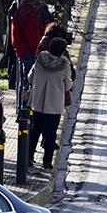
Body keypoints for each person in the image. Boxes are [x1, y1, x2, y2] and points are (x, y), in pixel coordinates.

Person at [28, 37, 73, 169]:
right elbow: (68, 85)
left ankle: (28, 157)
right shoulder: (64, 65)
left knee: (35, 130)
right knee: (51, 133)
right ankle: (47, 161)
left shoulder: (40, 59)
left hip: (38, 101)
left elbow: (30, 77)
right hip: (54, 104)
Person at [11, 0, 44, 87]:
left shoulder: (22, 10)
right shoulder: (30, 14)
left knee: (24, 80)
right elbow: (33, 37)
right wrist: (38, 52)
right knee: (28, 82)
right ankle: (25, 101)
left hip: (23, 49)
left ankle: (23, 99)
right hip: (29, 51)